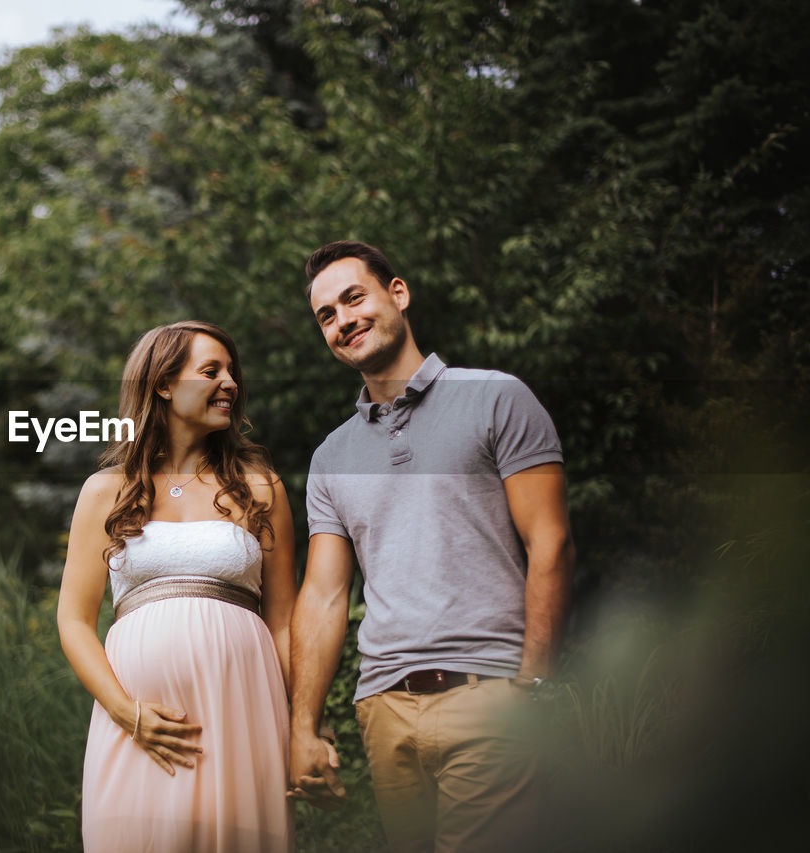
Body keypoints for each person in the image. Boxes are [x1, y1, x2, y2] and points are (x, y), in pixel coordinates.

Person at [287, 241, 576, 852]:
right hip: (384, 712)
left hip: (488, 691)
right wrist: (302, 727)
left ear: (398, 293)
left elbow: (550, 541)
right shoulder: (331, 457)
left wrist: (535, 685)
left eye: (353, 298)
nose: (343, 321)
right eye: (326, 316)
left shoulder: (497, 397)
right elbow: (323, 595)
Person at [57, 320, 297, 851]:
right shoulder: (106, 492)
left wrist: (300, 725)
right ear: (164, 384)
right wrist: (127, 711)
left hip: (245, 720)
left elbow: (283, 620)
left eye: (232, 372)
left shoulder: (261, 488)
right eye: (211, 371)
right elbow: (73, 620)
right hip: (138, 728)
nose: (230, 383)